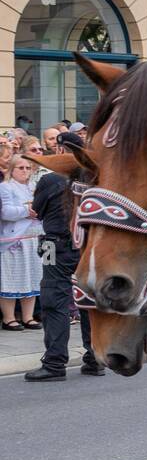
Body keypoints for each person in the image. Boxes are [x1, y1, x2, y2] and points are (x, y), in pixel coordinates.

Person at [25, 132, 102, 380]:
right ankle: (95, 358)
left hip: (55, 246)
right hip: (88, 245)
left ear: (60, 150)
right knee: (89, 302)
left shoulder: (52, 180)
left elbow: (37, 210)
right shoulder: (97, 177)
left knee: (54, 300)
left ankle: (55, 362)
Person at [0, 154, 43, 330]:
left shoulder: (34, 187)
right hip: (14, 239)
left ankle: (28, 316)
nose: (25, 171)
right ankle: (8, 318)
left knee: (32, 277)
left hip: (35, 237)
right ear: (12, 170)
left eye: (28, 168)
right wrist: (27, 210)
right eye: (21, 168)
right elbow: (6, 212)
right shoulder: (5, 187)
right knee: (11, 278)